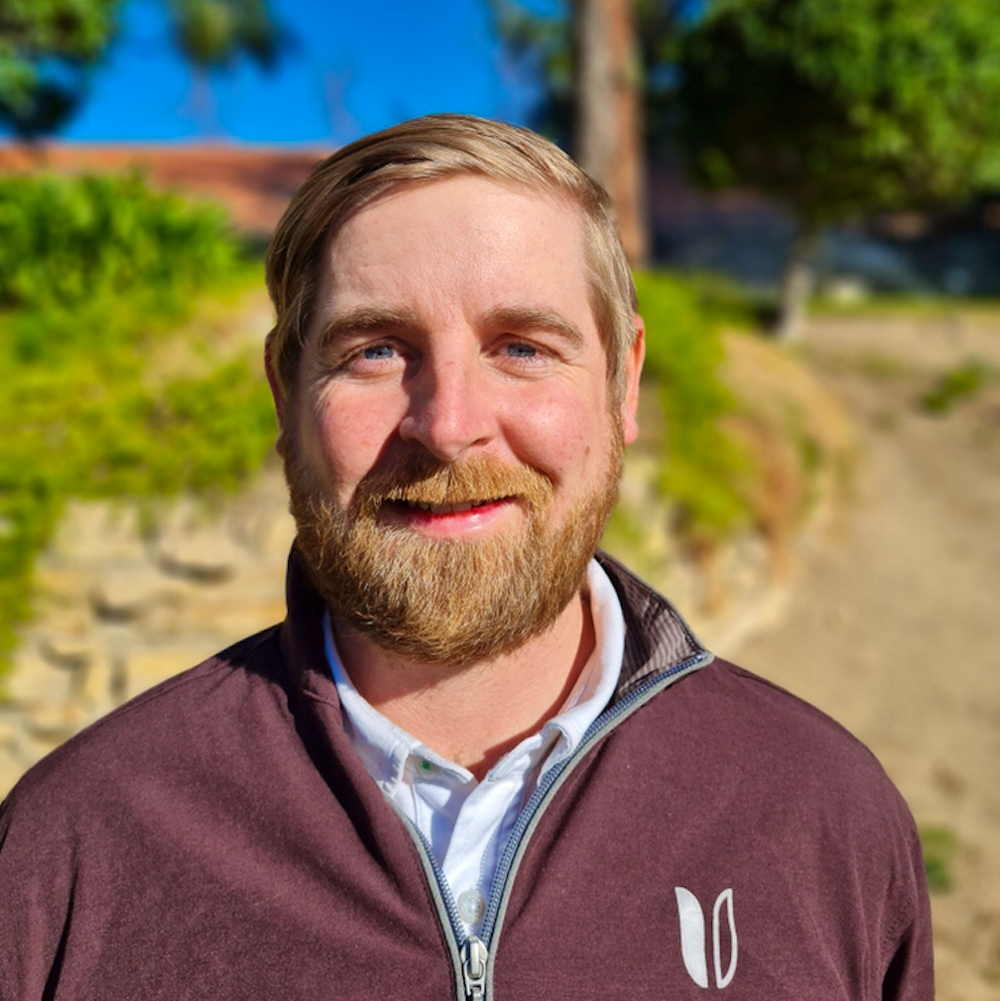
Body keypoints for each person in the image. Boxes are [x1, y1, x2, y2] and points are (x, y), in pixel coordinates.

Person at [0, 115, 931, 1000]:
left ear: (623, 381)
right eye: (375, 350)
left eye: (521, 347)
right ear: (286, 395)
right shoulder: (72, 851)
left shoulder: (824, 817)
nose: (448, 426)